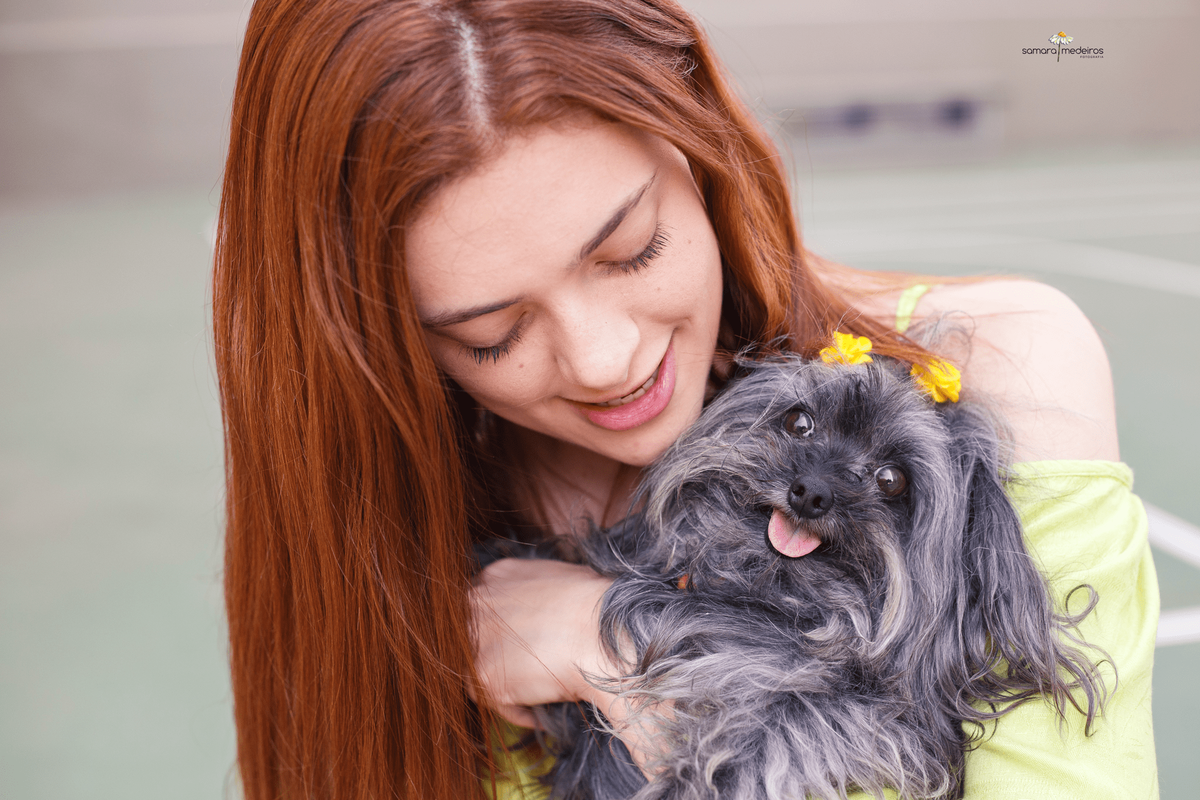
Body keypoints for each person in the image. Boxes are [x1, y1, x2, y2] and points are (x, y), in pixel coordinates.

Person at [212, 1, 1159, 798]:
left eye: (633, 251)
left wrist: (613, 643)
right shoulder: (382, 539)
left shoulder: (1005, 365)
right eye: (490, 333)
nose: (603, 360)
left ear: (698, 141)